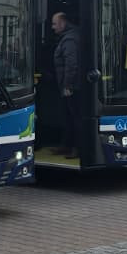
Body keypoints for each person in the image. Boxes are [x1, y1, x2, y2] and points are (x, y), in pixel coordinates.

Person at [51, 12, 82, 157]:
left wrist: (68, 86)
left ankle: (77, 148)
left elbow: (71, 64)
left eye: (54, 24)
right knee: (67, 117)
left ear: (63, 23)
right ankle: (66, 145)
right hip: (69, 85)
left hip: (72, 87)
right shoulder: (69, 37)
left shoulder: (70, 39)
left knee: (74, 117)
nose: (52, 27)